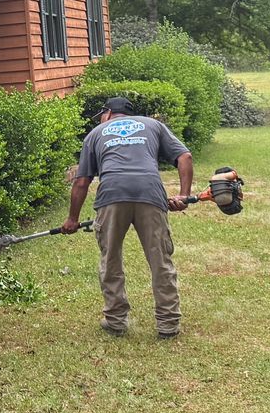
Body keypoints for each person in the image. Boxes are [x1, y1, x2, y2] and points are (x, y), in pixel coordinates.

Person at [62, 95, 194, 338]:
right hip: (150, 193)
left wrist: (72, 219)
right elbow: (184, 157)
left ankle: (115, 320)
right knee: (160, 260)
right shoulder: (153, 125)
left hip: (112, 195)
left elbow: (82, 181)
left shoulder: (96, 133)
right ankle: (168, 325)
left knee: (111, 259)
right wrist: (184, 196)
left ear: (108, 114)